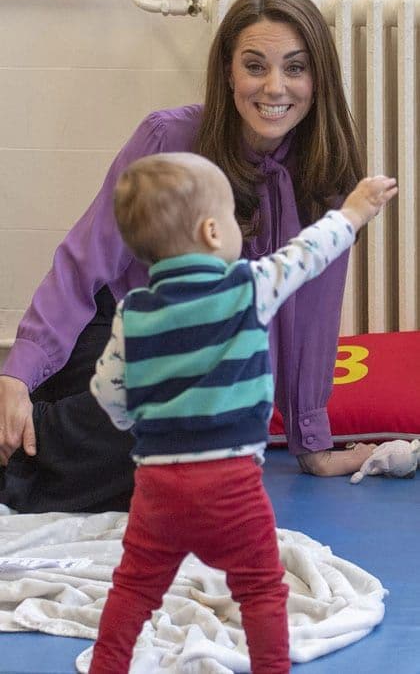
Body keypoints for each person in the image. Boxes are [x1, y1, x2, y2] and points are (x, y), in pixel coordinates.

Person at [0, 0, 377, 514]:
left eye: (295, 68)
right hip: (116, 333)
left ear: (318, 78)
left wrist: (311, 441)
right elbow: (85, 262)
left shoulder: (328, 172)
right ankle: (24, 440)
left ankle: (30, 445)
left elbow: (311, 312)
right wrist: (17, 374)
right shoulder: (167, 137)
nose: (275, 87)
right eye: (255, 66)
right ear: (228, 72)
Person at [87, 152, 397, 674]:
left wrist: (132, 421)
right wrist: (355, 211)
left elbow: (109, 390)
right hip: (231, 487)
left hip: (157, 489)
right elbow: (308, 253)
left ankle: (108, 666)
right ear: (212, 232)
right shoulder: (248, 286)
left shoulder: (133, 312)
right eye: (233, 219)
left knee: (134, 589)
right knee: (259, 589)